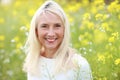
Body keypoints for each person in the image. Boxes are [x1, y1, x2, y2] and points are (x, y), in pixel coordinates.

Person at [23, 0, 93, 80]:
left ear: (64, 30)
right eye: (44, 26)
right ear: (36, 31)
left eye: (57, 26)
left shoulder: (80, 64)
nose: (51, 33)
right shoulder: (33, 61)